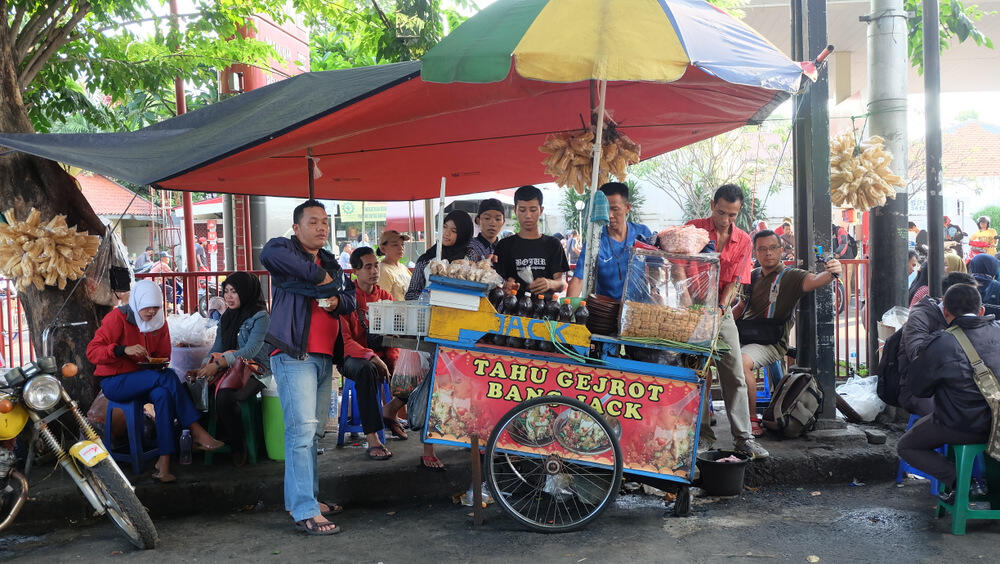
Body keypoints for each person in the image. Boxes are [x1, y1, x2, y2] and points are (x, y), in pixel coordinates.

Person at [260, 199, 356, 536]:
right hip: (293, 354)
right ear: (297, 227)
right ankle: (304, 509)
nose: (321, 228)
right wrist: (322, 278)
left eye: (325, 222)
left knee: (312, 433)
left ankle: (308, 498)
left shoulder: (331, 260)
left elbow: (350, 299)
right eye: (313, 221)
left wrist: (332, 296)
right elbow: (267, 255)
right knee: (300, 431)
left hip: (324, 356)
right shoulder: (283, 250)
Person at [86, 280, 224, 483]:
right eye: (147, 307)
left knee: (163, 393)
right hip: (116, 383)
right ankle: (195, 429)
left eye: (156, 307)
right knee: (167, 378)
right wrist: (122, 349)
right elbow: (92, 352)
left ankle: (164, 464)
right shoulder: (118, 317)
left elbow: (163, 356)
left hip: (146, 380)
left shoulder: (159, 323)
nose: (151, 311)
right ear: (137, 303)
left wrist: (155, 362)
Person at [685, 184, 768, 459]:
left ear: (739, 211)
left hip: (722, 311)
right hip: (692, 310)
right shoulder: (694, 229)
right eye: (721, 212)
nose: (725, 220)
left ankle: (743, 438)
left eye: (732, 215)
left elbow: (734, 281)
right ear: (712, 205)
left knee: (733, 372)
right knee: (698, 375)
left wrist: (721, 309)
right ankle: (702, 436)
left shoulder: (743, 240)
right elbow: (677, 266)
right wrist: (691, 307)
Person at [897, 283, 1000, 504]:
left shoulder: (941, 342)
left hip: (959, 426)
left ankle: (962, 481)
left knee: (906, 446)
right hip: (997, 425)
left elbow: (920, 389)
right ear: (981, 310)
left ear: (946, 313)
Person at [734, 230, 843, 434]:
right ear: (755, 253)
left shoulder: (791, 276)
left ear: (781, 250)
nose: (768, 253)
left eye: (773, 248)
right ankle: (707, 416)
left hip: (771, 342)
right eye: (763, 249)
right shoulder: (753, 275)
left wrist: (833, 272)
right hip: (745, 335)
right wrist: (718, 323)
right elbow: (740, 307)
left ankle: (751, 419)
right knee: (707, 359)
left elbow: (816, 280)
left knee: (741, 363)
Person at [195, 272, 271, 467]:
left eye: (234, 291)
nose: (228, 296)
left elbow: (251, 350)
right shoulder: (227, 317)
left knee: (225, 397)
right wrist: (204, 365)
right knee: (196, 388)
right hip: (231, 369)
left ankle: (238, 445)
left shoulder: (261, 316)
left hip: (257, 370)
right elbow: (217, 347)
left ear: (246, 292)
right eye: (226, 291)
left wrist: (219, 364)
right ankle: (213, 438)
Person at [340, 247, 396, 460]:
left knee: (412, 368)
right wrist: (371, 356)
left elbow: (394, 336)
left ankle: (391, 411)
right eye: (368, 266)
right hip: (351, 358)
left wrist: (392, 359)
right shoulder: (346, 299)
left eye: (376, 265)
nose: (374, 271)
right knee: (367, 369)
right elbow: (345, 342)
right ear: (355, 271)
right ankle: (372, 436)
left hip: (381, 354)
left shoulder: (385, 296)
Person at [898, 271, 977, 416]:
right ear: (946, 301)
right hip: (923, 386)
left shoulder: (970, 318)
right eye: (966, 299)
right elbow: (917, 356)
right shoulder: (921, 316)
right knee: (946, 416)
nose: (972, 306)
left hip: (959, 383)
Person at [566, 182, 653, 301]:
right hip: (606, 311)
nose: (610, 215)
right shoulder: (596, 241)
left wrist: (654, 290)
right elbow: (578, 279)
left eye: (615, 209)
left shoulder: (642, 234)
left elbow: (656, 266)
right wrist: (567, 308)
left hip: (638, 310)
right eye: (606, 209)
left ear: (627, 207)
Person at [493, 185, 569, 299]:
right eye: (522, 210)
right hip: (512, 312)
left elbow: (562, 283)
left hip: (545, 311)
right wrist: (506, 287)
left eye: (533, 210)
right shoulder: (504, 245)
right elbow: (495, 283)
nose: (528, 215)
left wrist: (550, 283)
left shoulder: (553, 244)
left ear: (541, 210)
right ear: (515, 210)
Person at [405, 210, 481, 300]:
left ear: (463, 234)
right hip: (431, 312)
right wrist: (429, 298)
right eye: (445, 227)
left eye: (454, 231)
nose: (446, 233)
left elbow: (476, 288)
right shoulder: (426, 259)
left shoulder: (469, 257)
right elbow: (411, 294)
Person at [377, 230, 412, 302]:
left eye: (402, 244)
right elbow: (383, 301)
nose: (401, 248)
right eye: (395, 245)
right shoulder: (383, 270)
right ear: (383, 249)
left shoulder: (403, 267)